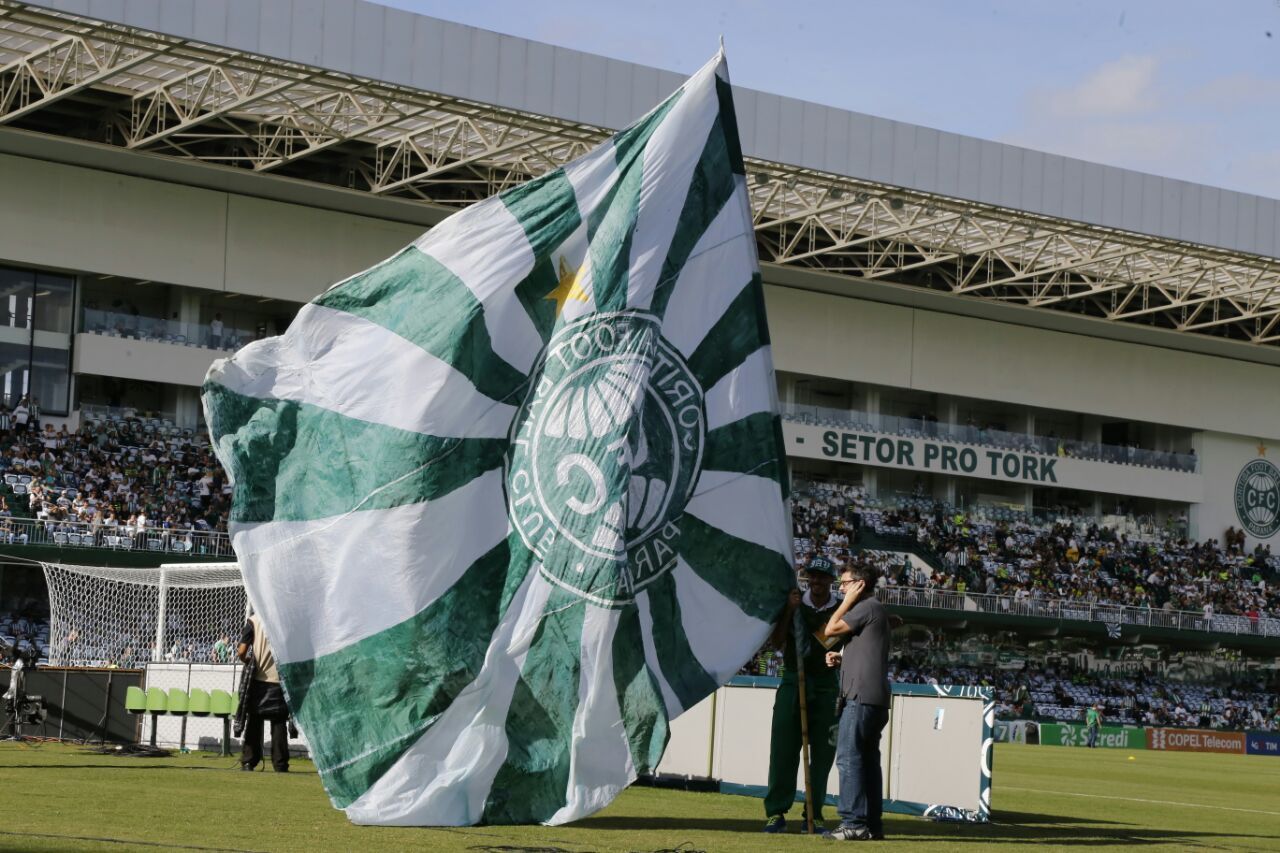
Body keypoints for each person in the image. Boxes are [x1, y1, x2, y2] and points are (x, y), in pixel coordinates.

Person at [762, 556, 841, 834]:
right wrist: (789, 609)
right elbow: (777, 642)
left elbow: (849, 643)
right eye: (813, 576)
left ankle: (815, 814)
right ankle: (775, 813)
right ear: (807, 577)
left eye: (822, 576)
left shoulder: (842, 609)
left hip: (826, 685)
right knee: (782, 750)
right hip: (793, 680)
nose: (817, 581)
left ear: (832, 580)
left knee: (822, 755)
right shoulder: (793, 602)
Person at [823, 564, 890, 842]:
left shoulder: (864, 607)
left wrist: (848, 602)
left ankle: (853, 823)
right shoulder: (874, 610)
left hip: (860, 698)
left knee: (849, 759)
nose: (840, 588)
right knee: (867, 762)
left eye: (845, 583)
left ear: (860, 584)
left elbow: (829, 629)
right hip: (873, 698)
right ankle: (871, 824)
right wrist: (843, 658)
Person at [236, 612, 290, 772]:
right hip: (280, 680)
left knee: (254, 721)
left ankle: (249, 761)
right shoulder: (284, 619)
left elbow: (241, 651)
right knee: (279, 723)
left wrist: (247, 661)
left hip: (259, 679)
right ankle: (280, 764)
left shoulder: (253, 621)